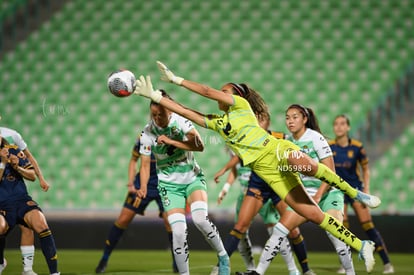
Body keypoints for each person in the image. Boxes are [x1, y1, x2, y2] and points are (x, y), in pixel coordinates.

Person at [132, 61, 382, 274]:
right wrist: (157, 97)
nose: (221, 93)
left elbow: (207, 91)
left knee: (306, 166)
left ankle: (357, 193)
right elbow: (187, 111)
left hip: (276, 151)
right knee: (314, 215)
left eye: (226, 90)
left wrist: (177, 80)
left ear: (237, 94)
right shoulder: (218, 123)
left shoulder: (241, 106)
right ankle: (362, 246)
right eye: (222, 91)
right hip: (268, 173)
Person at [241, 104, 356, 275]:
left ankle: (350, 272)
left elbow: (331, 171)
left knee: (336, 235)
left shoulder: (315, 138)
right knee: (279, 231)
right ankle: (257, 272)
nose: (290, 121)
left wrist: (318, 195)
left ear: (305, 119)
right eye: (287, 117)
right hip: (304, 196)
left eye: (295, 117)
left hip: (327, 193)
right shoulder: (288, 142)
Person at [138, 91, 230, 275]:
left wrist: (173, 141)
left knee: (200, 220)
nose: (157, 118)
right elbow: (145, 165)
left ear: (170, 111)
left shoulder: (180, 122)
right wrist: (142, 187)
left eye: (161, 114)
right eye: (154, 115)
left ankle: (223, 257)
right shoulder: (146, 133)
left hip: (192, 178)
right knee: (178, 233)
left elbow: (200, 145)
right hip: (168, 186)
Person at [211, 113, 311, 275]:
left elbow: (293, 155)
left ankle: (305, 270)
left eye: (261, 120)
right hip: (258, 185)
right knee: (240, 226)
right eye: (255, 119)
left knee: (292, 230)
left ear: (268, 122)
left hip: (278, 186)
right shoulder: (248, 139)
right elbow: (238, 157)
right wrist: (225, 169)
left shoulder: (280, 137)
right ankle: (220, 266)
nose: (257, 123)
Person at [95, 133, 178, 273]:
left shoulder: (171, 138)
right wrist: (131, 182)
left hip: (164, 185)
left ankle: (177, 261)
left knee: (170, 223)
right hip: (142, 185)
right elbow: (134, 160)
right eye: (154, 115)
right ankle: (104, 259)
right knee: (123, 220)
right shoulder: (143, 139)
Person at [330, 114, 395, 274]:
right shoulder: (329, 146)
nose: (339, 127)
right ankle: (345, 264)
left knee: (367, 225)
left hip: (356, 190)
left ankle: (387, 263)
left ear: (348, 127)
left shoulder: (357, 147)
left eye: (342, 124)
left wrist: (366, 189)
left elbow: (365, 168)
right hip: (338, 191)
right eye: (336, 124)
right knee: (341, 227)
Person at [0, 135, 59, 275]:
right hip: (1, 204)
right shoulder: (3, 156)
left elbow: (32, 176)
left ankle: (53, 273)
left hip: (21, 201)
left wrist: (18, 167)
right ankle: (1, 262)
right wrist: (3, 162)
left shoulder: (13, 149)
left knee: (40, 223)